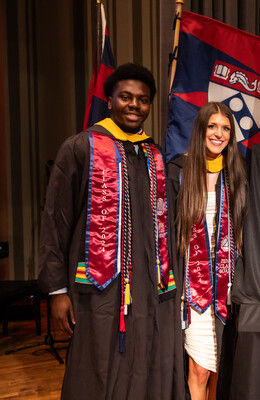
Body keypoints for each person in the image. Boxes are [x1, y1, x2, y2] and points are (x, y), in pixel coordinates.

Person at [38, 63, 184, 399]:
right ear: (109, 100)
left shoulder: (155, 156)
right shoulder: (80, 148)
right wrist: (57, 290)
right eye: (126, 97)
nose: (135, 105)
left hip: (149, 286)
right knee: (98, 365)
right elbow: (56, 220)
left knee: (147, 358)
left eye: (143, 100)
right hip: (98, 288)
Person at [167, 102, 247, 400]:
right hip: (193, 286)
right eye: (212, 126)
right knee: (198, 370)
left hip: (229, 286)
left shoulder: (239, 172)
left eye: (226, 128)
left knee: (222, 370)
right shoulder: (179, 170)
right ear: (200, 129)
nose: (219, 133)